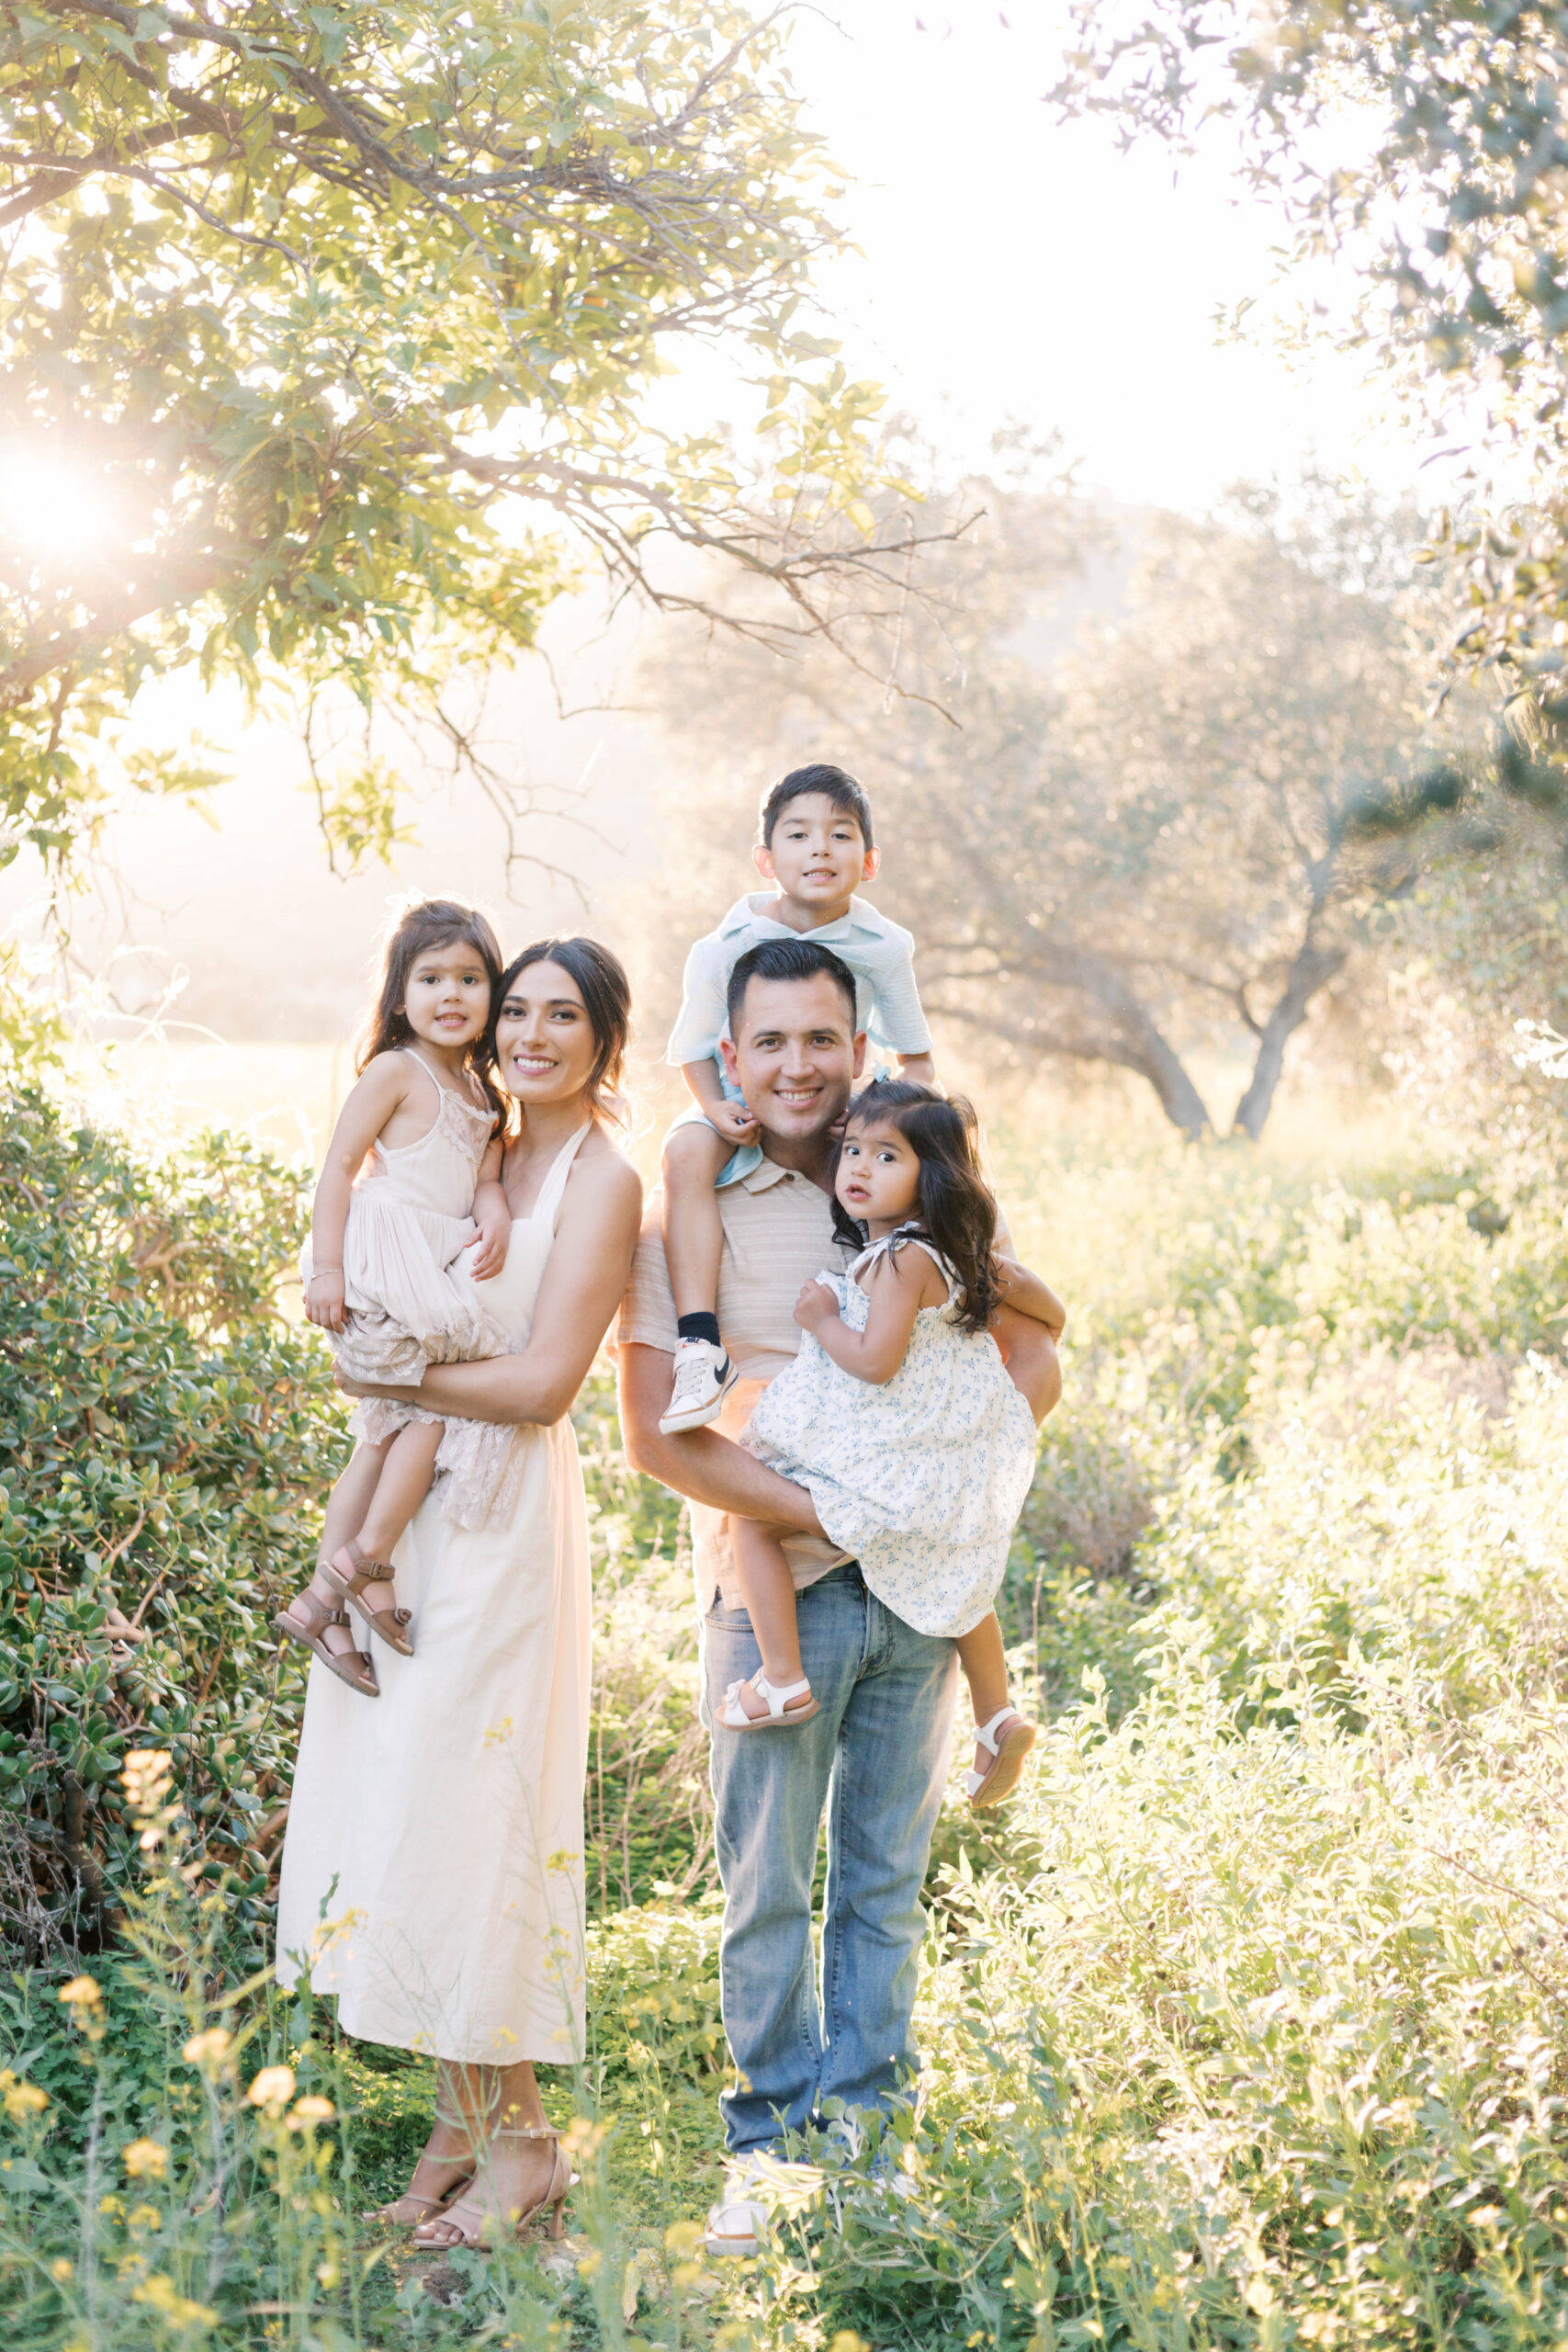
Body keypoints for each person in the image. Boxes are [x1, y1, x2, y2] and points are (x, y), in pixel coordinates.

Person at [616, 936, 1063, 2254]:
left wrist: (943, 1489)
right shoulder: (689, 1212)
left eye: (822, 1039)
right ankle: (765, 2150)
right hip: (777, 1594)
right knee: (764, 1885)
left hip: (914, 1592)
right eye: (772, 1043)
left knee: (879, 1880)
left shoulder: (907, 1187)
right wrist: (831, 1509)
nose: (799, 1065)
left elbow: (1034, 1342)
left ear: (855, 1051)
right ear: (733, 1060)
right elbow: (652, 1435)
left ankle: (866, 2153)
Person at [276, 938, 643, 2253]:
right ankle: (461, 2129)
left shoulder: (603, 1179)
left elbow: (545, 1385)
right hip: (419, 1504)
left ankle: (527, 2148)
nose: (532, 1034)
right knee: (416, 1803)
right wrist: (388, 1377)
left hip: (499, 1519)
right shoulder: (490, 1148)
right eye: (519, 1010)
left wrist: (388, 1376)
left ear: (606, 1035)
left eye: (564, 1016)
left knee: (475, 1806)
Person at [722, 1079, 1060, 1814]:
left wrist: (819, 1319)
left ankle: (781, 1675)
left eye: (886, 1156)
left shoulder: (899, 1261)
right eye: (851, 1150)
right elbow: (1047, 1309)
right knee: (955, 1574)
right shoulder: (945, 1255)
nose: (859, 1168)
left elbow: (874, 1361)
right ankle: (996, 1714)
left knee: (750, 1523)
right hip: (935, 1461)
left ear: (929, 1176)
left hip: (891, 1458)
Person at [274, 899, 513, 1690]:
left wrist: (496, 1213)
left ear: (492, 991)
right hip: (383, 1257)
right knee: (431, 1415)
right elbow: (338, 1167)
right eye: (432, 976)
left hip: (432, 1261)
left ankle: (333, 1606)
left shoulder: (481, 1089)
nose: (452, 994)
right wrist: (327, 1272)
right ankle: (359, 1567)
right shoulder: (396, 1070)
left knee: (381, 1436)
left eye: (470, 978)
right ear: (400, 995)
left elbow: (482, 1179)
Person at [658, 763, 935, 1439]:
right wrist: (717, 1108)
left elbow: (917, 1058)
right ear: (764, 859)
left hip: (849, 1098)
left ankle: (907, 1298)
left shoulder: (884, 947)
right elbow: (692, 1048)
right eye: (799, 835)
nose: (819, 850)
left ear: (868, 862)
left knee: (913, 1149)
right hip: (737, 1100)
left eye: (839, 836)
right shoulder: (722, 948)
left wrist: (877, 1112)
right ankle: (700, 1343)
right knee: (687, 1145)